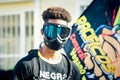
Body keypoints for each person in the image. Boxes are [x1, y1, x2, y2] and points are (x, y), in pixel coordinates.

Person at [11, 7, 81, 80]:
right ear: (42, 32)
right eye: (52, 31)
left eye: (63, 32)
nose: (57, 37)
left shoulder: (72, 70)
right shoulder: (26, 65)